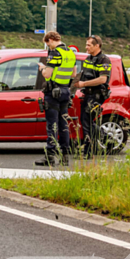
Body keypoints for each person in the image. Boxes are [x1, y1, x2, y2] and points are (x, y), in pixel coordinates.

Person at [35, 31, 76, 167]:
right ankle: (65, 157)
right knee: (64, 125)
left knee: (52, 125)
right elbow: (74, 73)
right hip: (65, 91)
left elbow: (48, 74)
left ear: (51, 40)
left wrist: (42, 68)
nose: (48, 47)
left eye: (47, 44)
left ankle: (50, 157)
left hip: (53, 92)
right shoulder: (70, 53)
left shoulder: (55, 53)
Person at [76, 35, 112, 158]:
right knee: (86, 121)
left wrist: (84, 84)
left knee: (86, 121)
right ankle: (104, 136)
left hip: (96, 95)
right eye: (86, 45)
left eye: (89, 45)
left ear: (97, 46)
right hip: (88, 93)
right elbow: (84, 75)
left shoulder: (104, 60)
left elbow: (103, 79)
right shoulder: (88, 58)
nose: (86, 47)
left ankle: (89, 151)